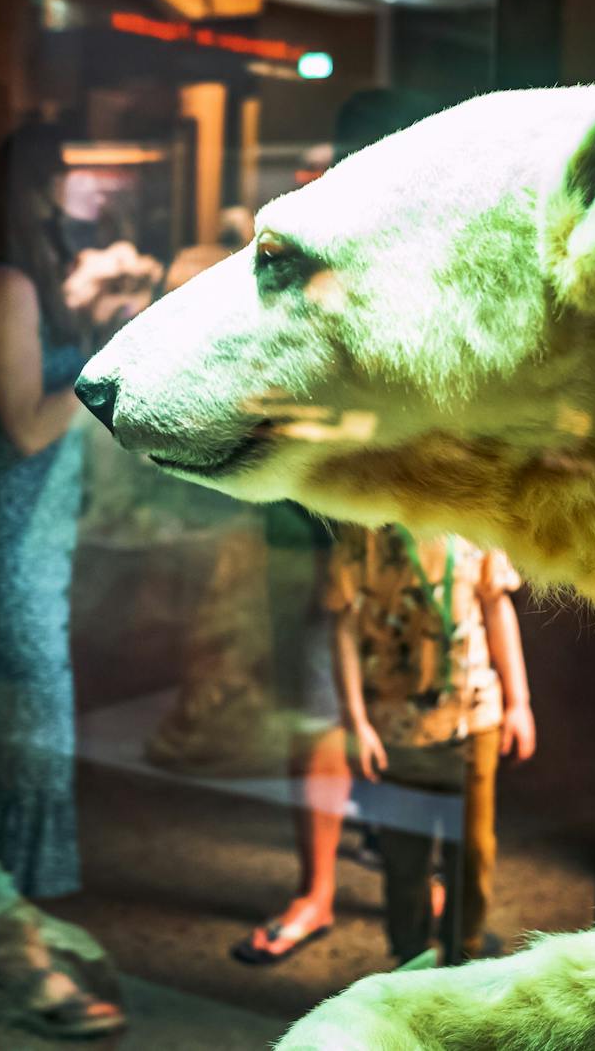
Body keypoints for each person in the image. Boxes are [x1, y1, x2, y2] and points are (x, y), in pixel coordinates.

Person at [0, 120, 152, 1038]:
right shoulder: (6, 284)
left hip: (32, 545)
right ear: (38, 190)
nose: (89, 197)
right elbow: (24, 424)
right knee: (24, 744)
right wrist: (112, 361)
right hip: (2, 543)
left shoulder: (30, 284)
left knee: (13, 744)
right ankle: (21, 960)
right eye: (74, 180)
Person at [233, 88, 450, 967]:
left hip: (396, 520)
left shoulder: (422, 258)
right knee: (326, 707)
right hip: (322, 516)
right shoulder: (307, 253)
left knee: (411, 703)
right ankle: (326, 889)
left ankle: (407, 878)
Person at [332, 526, 537, 964]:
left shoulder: (469, 518)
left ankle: (466, 950)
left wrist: (519, 702)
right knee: (404, 858)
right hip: (395, 728)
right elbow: (345, 625)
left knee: (474, 850)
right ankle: (409, 956)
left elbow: (496, 606)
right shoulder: (361, 531)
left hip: (473, 716)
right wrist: (356, 722)